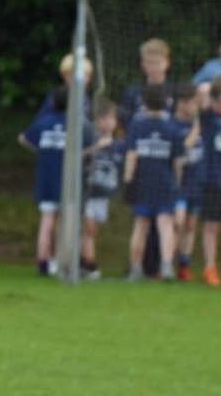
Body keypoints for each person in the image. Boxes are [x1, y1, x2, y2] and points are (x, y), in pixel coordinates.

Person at [122, 83, 186, 281]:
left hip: (142, 181)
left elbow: (131, 155)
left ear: (145, 102)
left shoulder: (136, 125)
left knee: (141, 225)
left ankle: (135, 268)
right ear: (166, 103)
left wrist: (127, 179)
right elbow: (177, 161)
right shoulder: (172, 128)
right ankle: (166, 267)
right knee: (165, 224)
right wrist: (177, 182)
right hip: (164, 182)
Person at [18, 86, 73, 275]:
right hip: (66, 182)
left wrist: (41, 149)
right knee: (61, 222)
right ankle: (58, 261)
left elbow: (23, 138)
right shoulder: (73, 124)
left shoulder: (44, 122)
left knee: (46, 221)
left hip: (45, 180)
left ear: (51, 102)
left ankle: (43, 262)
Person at [191, 75, 221, 285]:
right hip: (213, 180)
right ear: (219, 96)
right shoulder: (209, 117)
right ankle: (209, 267)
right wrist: (209, 89)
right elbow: (201, 94)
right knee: (211, 227)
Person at [82, 98, 124, 280]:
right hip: (88, 192)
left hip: (103, 194)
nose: (108, 123)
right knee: (88, 229)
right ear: (95, 121)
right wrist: (95, 148)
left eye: (111, 118)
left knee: (93, 231)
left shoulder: (118, 143)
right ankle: (90, 265)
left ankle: (83, 262)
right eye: (103, 118)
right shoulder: (90, 139)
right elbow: (76, 156)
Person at [171, 84, 204, 281]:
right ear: (182, 103)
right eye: (192, 103)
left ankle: (184, 267)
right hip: (178, 184)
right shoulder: (173, 125)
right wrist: (197, 129)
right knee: (178, 223)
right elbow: (182, 149)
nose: (194, 107)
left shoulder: (202, 124)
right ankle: (167, 262)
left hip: (197, 183)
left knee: (191, 226)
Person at [118, 38, 174, 128]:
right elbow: (125, 122)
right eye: (149, 62)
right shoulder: (132, 92)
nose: (153, 67)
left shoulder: (176, 92)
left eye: (157, 63)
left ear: (167, 63)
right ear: (143, 64)